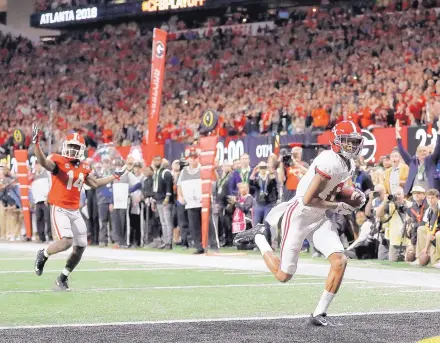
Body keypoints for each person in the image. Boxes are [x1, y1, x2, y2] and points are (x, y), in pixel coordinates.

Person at [234, 121, 365, 326]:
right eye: (348, 142)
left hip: (319, 217)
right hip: (299, 215)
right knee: (283, 275)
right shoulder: (328, 161)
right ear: (337, 141)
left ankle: (319, 313)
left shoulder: (348, 164)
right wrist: (338, 205)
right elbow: (308, 199)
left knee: (340, 261)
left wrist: (352, 196)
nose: (353, 147)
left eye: (355, 142)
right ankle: (259, 237)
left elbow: (331, 191)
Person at [32, 124, 126, 291]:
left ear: (81, 149)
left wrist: (113, 176)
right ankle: (44, 254)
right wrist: (36, 144)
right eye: (71, 146)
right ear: (65, 147)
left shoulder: (84, 166)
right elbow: (43, 162)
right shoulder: (58, 160)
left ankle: (62, 278)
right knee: (66, 241)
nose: (73, 150)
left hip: (74, 210)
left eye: (76, 147)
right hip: (60, 207)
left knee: (80, 247)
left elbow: (95, 183)